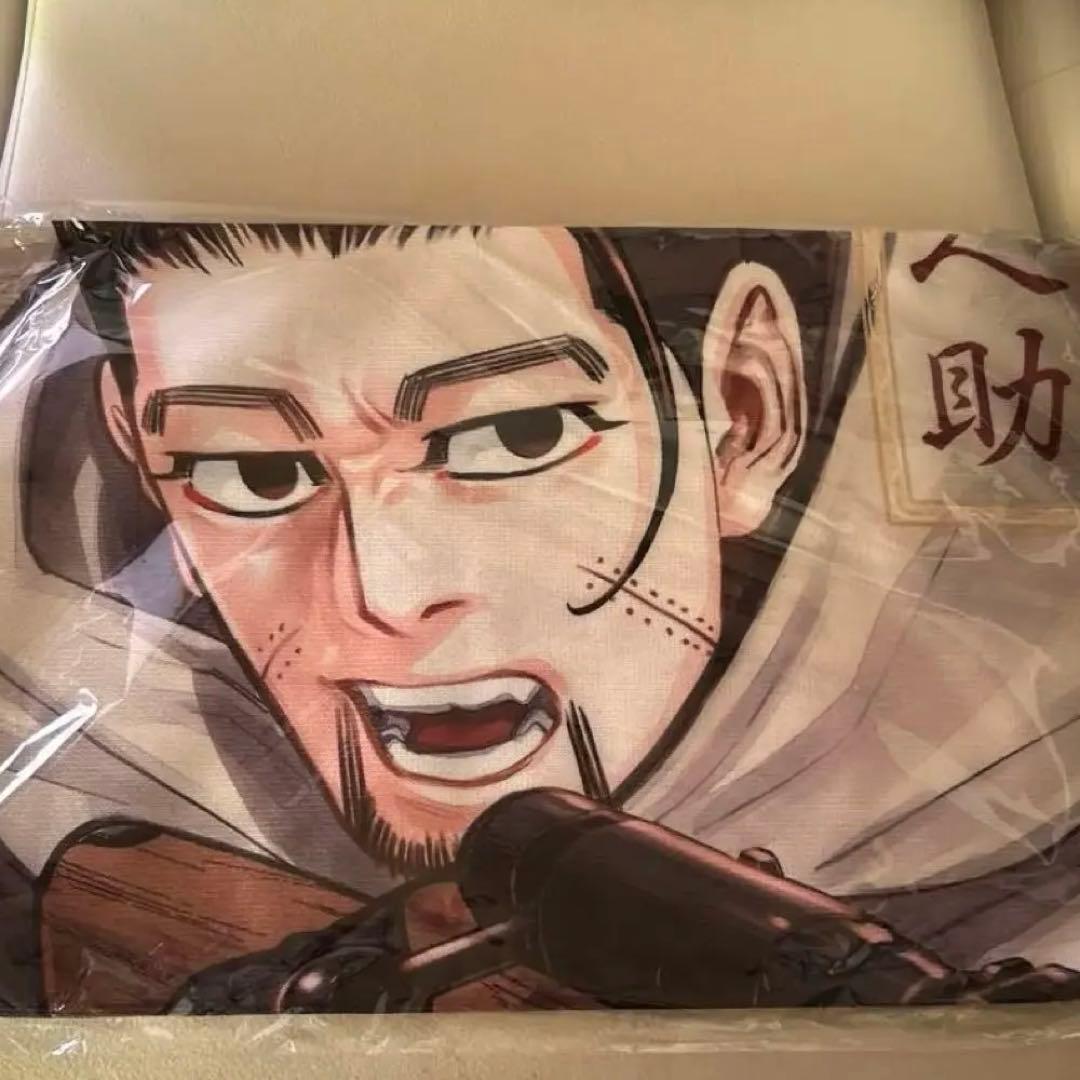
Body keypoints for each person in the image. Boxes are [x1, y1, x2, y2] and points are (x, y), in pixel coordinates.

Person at [1, 223, 1077, 1012]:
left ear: (745, 414)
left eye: (513, 438)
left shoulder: (1015, 830)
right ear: (137, 450)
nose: (387, 596)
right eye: (251, 472)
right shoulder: (81, 798)